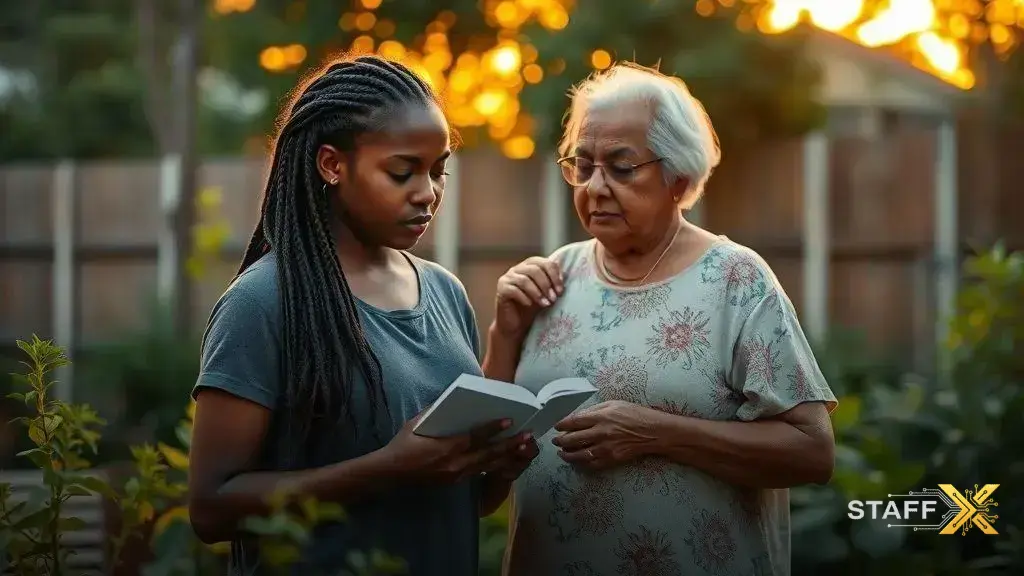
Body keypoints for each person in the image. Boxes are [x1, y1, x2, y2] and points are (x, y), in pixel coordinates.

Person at [186, 55, 538, 576]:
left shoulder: (445, 292)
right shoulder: (263, 303)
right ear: (332, 165)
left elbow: (462, 502)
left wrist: (498, 470)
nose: (428, 193)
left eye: (438, 171)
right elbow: (211, 509)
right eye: (401, 172)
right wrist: (386, 468)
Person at [484, 62, 838, 576]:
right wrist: (505, 333)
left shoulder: (734, 280)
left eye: (622, 167)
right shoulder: (551, 278)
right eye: (583, 165)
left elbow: (812, 452)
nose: (595, 187)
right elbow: (482, 463)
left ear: (679, 177)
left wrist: (655, 432)